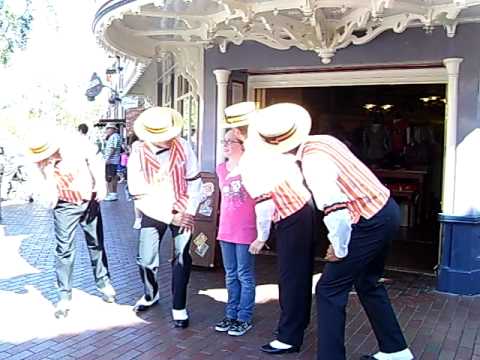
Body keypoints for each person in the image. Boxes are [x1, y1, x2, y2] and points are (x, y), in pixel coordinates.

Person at [248, 103, 414, 360]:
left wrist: (338, 246)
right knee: (368, 283)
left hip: (367, 220)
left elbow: (335, 208)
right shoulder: (324, 140)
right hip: (386, 209)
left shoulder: (314, 162)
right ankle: (396, 350)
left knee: (329, 289)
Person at [239, 110, 316, 354]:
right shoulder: (276, 153)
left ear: (241, 134)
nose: (226, 143)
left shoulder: (251, 160)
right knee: (299, 275)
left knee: (291, 277)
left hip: (292, 215)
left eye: (229, 138)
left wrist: (262, 237)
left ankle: (289, 337)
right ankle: (296, 327)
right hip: (305, 209)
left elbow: (264, 203)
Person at [25, 125, 116, 319]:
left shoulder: (76, 144)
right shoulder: (41, 163)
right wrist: (48, 176)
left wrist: (100, 185)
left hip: (89, 199)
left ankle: (103, 282)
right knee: (64, 249)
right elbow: (47, 196)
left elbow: (95, 161)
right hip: (65, 204)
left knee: (96, 243)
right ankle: (64, 296)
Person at [127, 107, 201, 328]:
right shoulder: (137, 153)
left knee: (181, 257)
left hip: (183, 208)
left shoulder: (184, 145)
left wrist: (188, 211)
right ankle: (151, 294)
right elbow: (138, 193)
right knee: (146, 258)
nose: (169, 139)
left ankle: (179, 306)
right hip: (154, 210)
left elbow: (194, 181)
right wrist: (170, 216)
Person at [214, 102, 257, 337]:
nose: (226, 146)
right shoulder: (221, 168)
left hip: (246, 229)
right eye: (224, 142)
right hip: (226, 229)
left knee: (245, 274)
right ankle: (231, 314)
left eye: (230, 142)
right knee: (230, 274)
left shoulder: (252, 165)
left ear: (242, 144)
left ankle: (244, 316)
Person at [103, 124, 122, 201]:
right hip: (112, 160)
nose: (107, 130)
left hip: (111, 160)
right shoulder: (114, 136)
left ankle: (112, 194)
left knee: (110, 177)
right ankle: (112, 193)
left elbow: (113, 148)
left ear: (113, 129)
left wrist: (107, 158)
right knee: (111, 177)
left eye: (109, 128)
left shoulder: (114, 136)